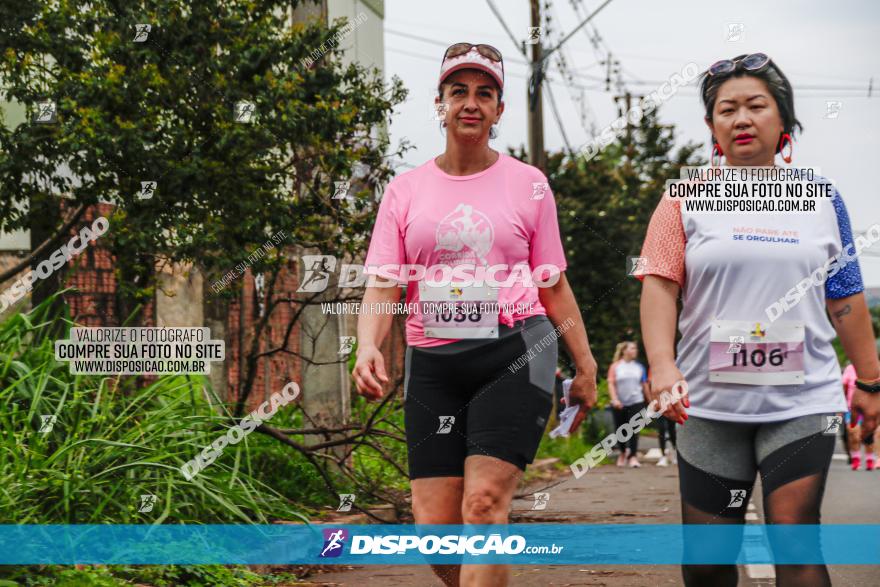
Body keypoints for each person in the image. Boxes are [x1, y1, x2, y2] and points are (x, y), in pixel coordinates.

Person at [353, 42, 599, 587]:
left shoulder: (529, 183)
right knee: (434, 531)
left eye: (484, 93)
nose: (471, 103)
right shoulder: (405, 189)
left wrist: (584, 365)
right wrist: (368, 342)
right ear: (438, 103)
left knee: (484, 505)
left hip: (516, 348)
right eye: (458, 91)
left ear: (499, 109)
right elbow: (384, 281)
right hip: (434, 359)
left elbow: (551, 280)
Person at [635, 53, 880, 587]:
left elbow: (844, 296)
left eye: (756, 106)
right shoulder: (683, 196)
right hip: (706, 403)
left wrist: (870, 380)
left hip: (802, 400)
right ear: (711, 127)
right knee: (707, 562)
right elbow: (659, 284)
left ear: (783, 120)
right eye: (727, 110)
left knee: (794, 541)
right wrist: (660, 365)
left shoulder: (821, 198)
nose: (741, 119)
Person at [607, 341, 649, 467]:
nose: (635, 350)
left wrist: (652, 401)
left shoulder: (639, 367)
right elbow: (611, 383)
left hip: (637, 401)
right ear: (624, 351)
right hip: (620, 403)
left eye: (636, 348)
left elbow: (644, 385)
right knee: (620, 430)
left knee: (635, 429)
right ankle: (623, 453)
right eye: (632, 348)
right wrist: (615, 399)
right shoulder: (615, 366)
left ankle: (633, 457)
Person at [842, 361, 876, 470]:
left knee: (869, 435)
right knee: (853, 433)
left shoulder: (875, 366)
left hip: (869, 407)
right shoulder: (849, 368)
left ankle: (870, 459)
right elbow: (844, 386)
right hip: (851, 407)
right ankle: (855, 459)